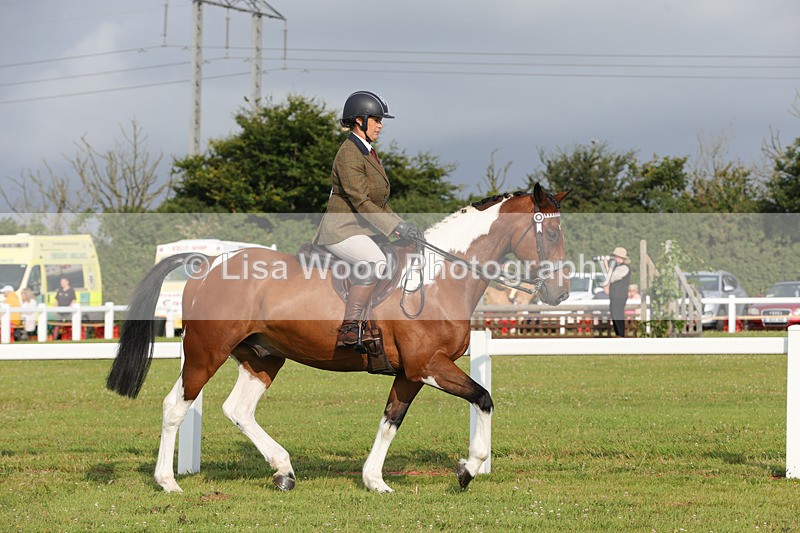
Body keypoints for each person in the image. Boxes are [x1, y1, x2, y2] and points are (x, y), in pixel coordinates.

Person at [313, 90, 422, 349]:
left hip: (362, 230)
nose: (380, 125)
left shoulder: (367, 152)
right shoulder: (349, 154)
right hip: (341, 230)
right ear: (359, 120)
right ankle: (350, 329)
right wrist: (395, 227)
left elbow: (380, 203)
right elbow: (361, 202)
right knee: (375, 262)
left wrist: (403, 227)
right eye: (376, 120)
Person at [600, 247, 632, 337]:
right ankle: (619, 334)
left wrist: (605, 265)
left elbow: (611, 277)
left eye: (616, 256)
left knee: (618, 315)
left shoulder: (624, 268)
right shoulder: (618, 266)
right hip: (615, 295)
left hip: (619, 296)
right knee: (614, 315)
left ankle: (621, 334)